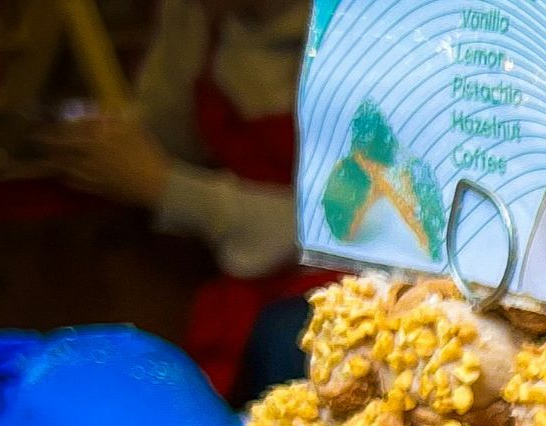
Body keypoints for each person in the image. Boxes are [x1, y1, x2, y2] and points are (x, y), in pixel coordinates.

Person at [37, 0, 330, 403]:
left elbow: (342, 229)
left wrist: (167, 188)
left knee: (293, 342)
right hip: (244, 286)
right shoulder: (203, 22)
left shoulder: (363, 28)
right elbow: (163, 140)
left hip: (341, 281)